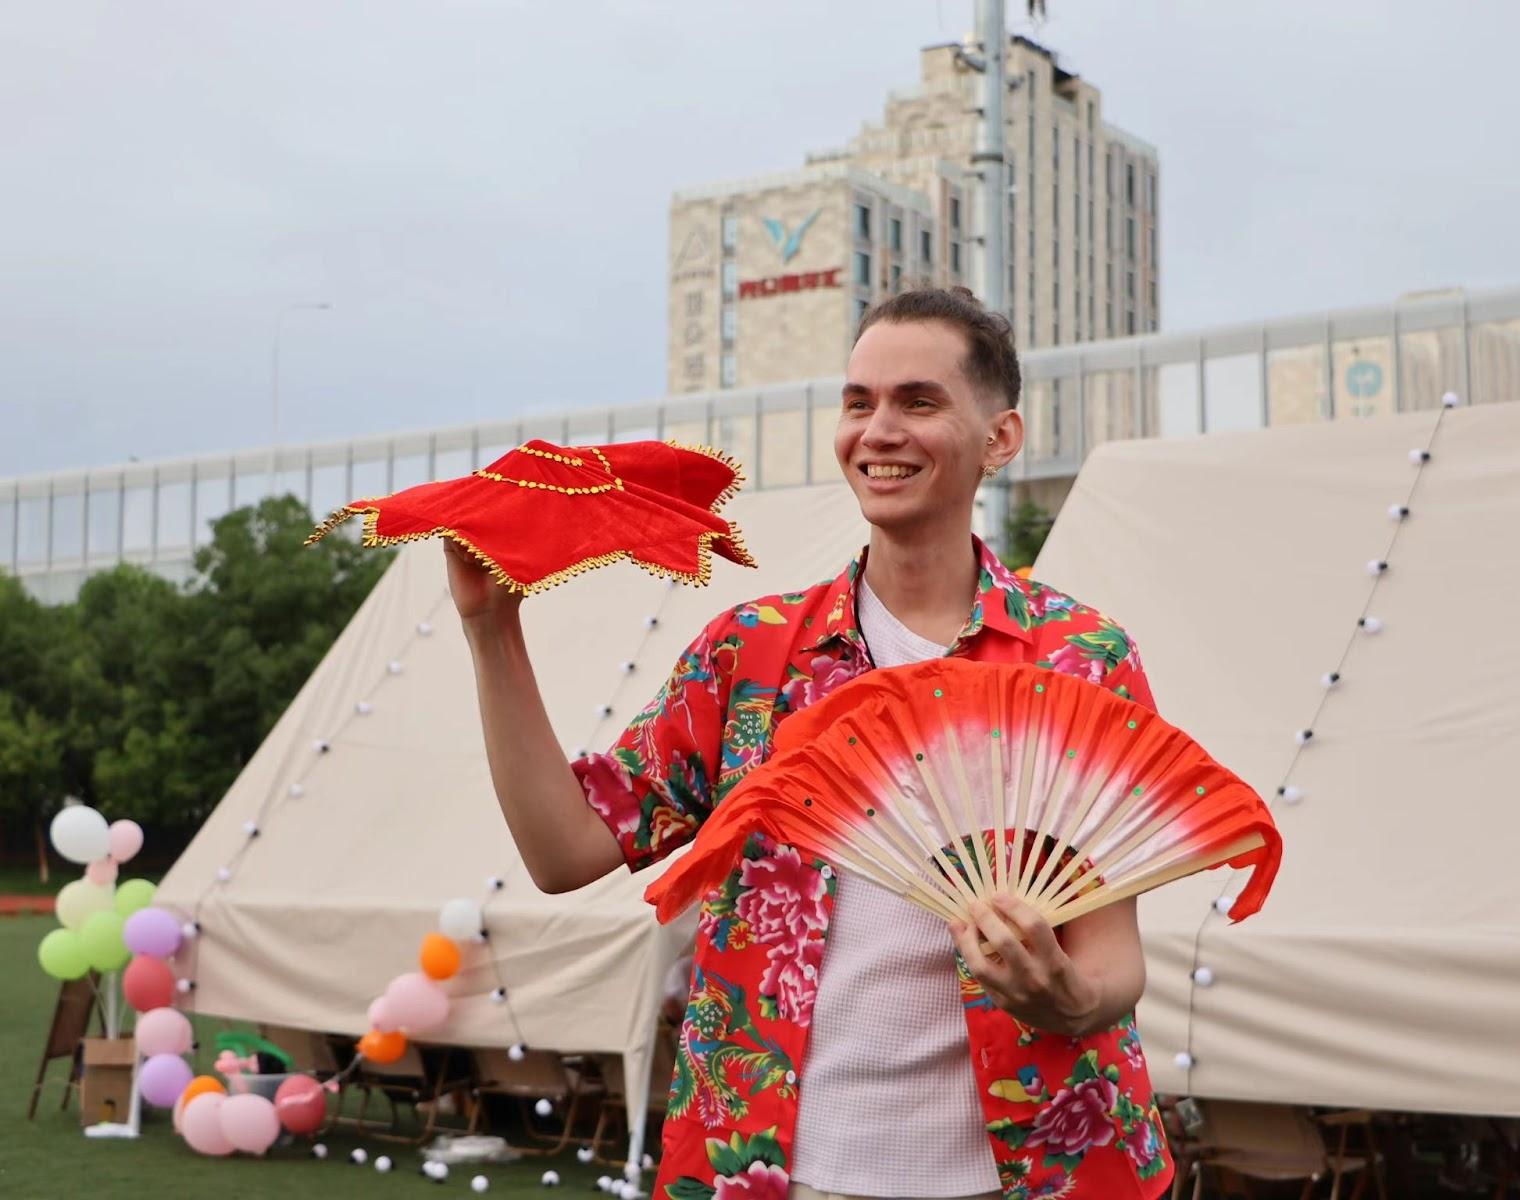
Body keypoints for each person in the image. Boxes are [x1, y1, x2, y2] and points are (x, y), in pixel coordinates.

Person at [449, 287, 1173, 1200]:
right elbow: (563, 850)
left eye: (919, 401)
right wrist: (492, 632)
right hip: (775, 1170)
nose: (878, 430)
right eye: (858, 402)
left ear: (1001, 438)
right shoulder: (747, 657)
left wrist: (1062, 996)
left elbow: (1114, 959)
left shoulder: (1077, 661)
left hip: (1029, 1172)